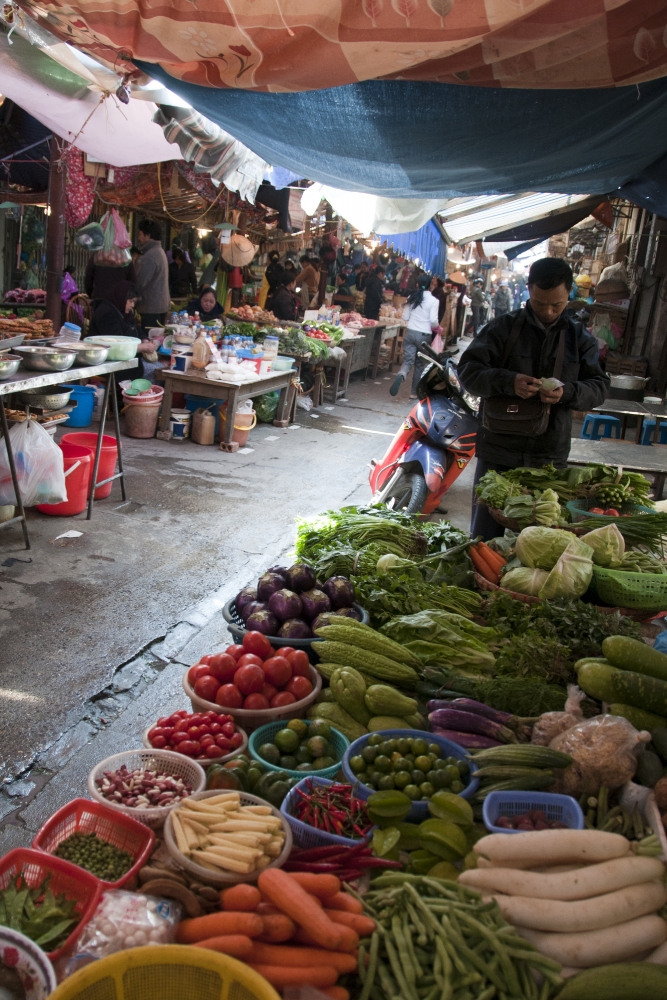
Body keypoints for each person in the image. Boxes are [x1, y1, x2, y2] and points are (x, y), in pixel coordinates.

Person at [458, 257, 610, 540]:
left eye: (557, 304)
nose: (549, 311)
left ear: (569, 295)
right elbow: (468, 372)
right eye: (541, 304)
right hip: (499, 452)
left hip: (548, 455)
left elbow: (599, 387)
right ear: (529, 290)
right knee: (483, 539)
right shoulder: (503, 328)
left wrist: (567, 393)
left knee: (539, 543)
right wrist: (508, 381)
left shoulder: (580, 338)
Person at [390, 273, 440, 398]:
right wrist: (437, 327)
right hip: (424, 336)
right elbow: (434, 321)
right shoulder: (434, 301)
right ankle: (414, 393)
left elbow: (405, 317)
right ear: (431, 285)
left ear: (417, 284)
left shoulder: (412, 297)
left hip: (410, 333)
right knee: (419, 364)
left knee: (407, 361)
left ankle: (401, 374)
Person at [135, 218, 169, 333]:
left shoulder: (150, 256)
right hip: (159, 307)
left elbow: (141, 282)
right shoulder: (159, 251)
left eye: (140, 234)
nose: (138, 238)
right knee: (155, 340)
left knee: (149, 342)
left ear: (147, 235)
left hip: (151, 309)